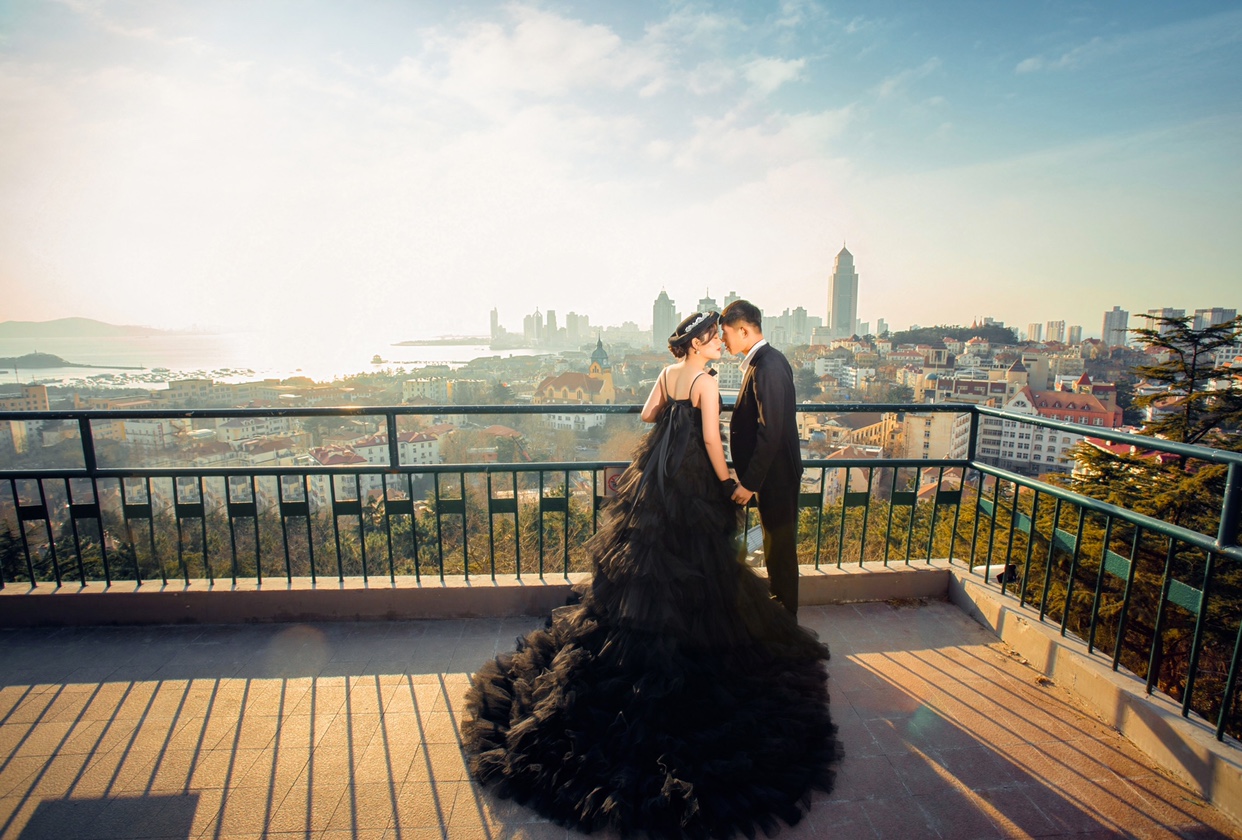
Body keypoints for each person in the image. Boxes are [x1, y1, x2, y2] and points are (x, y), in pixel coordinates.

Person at [462, 312, 841, 839]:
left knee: (646, 570)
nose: (718, 343)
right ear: (698, 343)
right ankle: (692, 648)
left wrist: (671, 418)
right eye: (712, 337)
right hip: (694, 485)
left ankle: (638, 652)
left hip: (658, 481)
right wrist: (727, 480)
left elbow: (646, 414)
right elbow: (712, 442)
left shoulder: (667, 374)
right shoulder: (706, 382)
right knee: (699, 571)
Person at [720, 300, 803, 617]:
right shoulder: (766, 362)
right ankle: (783, 618)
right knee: (775, 547)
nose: (723, 340)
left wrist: (750, 482)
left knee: (779, 550)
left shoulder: (767, 367)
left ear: (743, 330)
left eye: (726, 333)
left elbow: (772, 431)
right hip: (773, 474)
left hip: (775, 477)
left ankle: (786, 622)